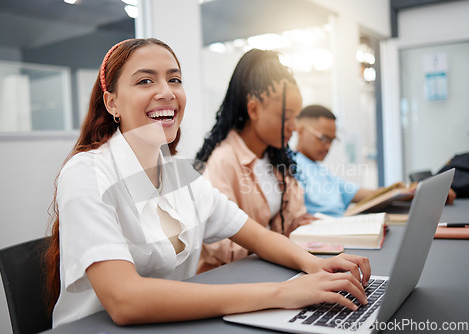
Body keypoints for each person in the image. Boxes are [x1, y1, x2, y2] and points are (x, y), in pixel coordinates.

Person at [43, 38, 371, 328]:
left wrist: (317, 266)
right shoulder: (86, 173)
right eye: (145, 81)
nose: (167, 92)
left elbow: (258, 236)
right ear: (112, 102)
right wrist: (283, 293)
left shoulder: (179, 175)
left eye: (175, 79)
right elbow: (125, 300)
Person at [195, 49, 314, 273]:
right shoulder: (223, 161)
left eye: (296, 117)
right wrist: (279, 242)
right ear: (253, 109)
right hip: (229, 280)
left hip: (272, 270)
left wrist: (301, 227)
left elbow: (295, 218)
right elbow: (223, 247)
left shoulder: (276, 158)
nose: (294, 127)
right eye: (286, 117)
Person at [294, 105, 456, 217]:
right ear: (300, 130)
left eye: (332, 140)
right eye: (323, 138)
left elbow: (371, 195)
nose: (328, 146)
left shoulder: (321, 172)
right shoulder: (290, 167)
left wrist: (419, 190)